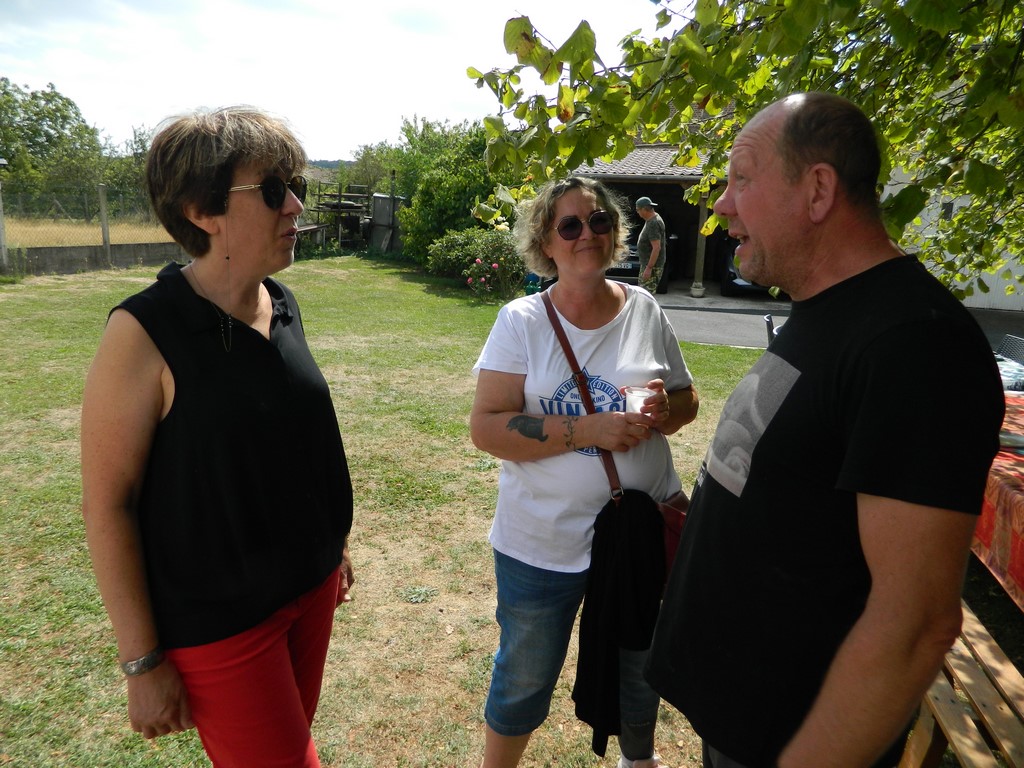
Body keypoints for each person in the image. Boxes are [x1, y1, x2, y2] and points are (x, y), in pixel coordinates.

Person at [646, 92, 1005, 768]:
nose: (722, 203)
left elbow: (915, 623)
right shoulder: (827, 309)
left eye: (742, 179)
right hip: (743, 717)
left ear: (817, 191)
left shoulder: (916, 346)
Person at [80, 106, 354, 768]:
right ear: (201, 211)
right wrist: (142, 661)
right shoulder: (144, 333)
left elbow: (295, 444)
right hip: (223, 624)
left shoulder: (279, 303)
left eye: (296, 187)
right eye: (272, 189)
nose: (294, 206)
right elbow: (108, 503)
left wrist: (333, 545)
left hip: (312, 588)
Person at [470, 176, 699, 768]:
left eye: (599, 221)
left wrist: (663, 410)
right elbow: (488, 428)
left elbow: (687, 401)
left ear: (615, 232)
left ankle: (637, 761)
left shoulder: (644, 309)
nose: (586, 235)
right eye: (568, 225)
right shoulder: (521, 321)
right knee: (524, 675)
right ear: (546, 242)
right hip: (541, 542)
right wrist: (588, 430)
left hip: (639, 532)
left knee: (638, 664)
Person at [635, 196, 666, 293]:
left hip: (652, 267)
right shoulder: (651, 219)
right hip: (648, 264)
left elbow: (656, 248)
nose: (637, 212)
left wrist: (649, 268)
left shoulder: (653, 223)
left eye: (638, 210)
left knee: (645, 295)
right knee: (643, 294)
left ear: (644, 209)